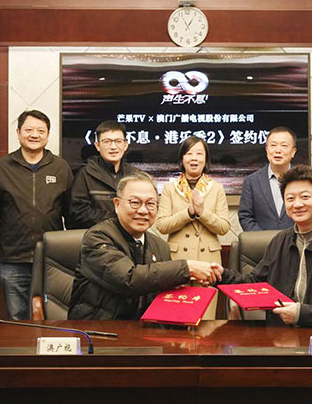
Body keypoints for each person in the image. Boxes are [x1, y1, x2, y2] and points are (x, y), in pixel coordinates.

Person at [213, 165, 312, 327]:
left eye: (305, 197)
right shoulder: (280, 241)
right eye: (290, 198)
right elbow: (256, 283)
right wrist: (222, 275)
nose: (297, 204)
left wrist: (302, 314)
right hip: (278, 334)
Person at [68, 171, 218, 320]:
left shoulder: (160, 246)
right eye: (135, 202)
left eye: (150, 204)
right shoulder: (97, 237)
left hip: (144, 329)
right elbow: (129, 279)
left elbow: (163, 298)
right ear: (117, 204)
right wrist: (187, 268)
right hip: (97, 329)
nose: (143, 211)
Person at [0, 110, 73, 320]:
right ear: (18, 133)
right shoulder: (2, 167)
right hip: (13, 258)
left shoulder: (60, 168)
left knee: (53, 317)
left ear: (48, 135)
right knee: (18, 317)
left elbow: (71, 213)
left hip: (51, 259)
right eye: (29, 130)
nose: (34, 135)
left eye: (41, 130)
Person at [156, 136, 231, 320]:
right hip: (178, 260)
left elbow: (224, 227)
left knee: (205, 319)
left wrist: (202, 212)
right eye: (189, 154)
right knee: (177, 315)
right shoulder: (170, 188)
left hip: (208, 260)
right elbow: (162, 225)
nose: (194, 158)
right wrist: (188, 213)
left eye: (199, 154)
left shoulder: (216, 188)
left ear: (206, 159)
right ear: (182, 158)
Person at [68, 120, 137, 228]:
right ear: (97, 146)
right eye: (107, 141)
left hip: (129, 235)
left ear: (125, 145)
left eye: (118, 141)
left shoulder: (135, 175)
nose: (113, 146)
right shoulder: (85, 174)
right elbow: (78, 212)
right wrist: (117, 218)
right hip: (95, 235)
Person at [238, 127, 298, 231]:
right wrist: (263, 238)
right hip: (262, 240)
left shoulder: (303, 180)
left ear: (293, 152)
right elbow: (245, 216)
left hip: (296, 239)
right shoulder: (252, 181)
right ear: (266, 150)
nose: (277, 150)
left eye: (284, 146)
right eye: (273, 145)